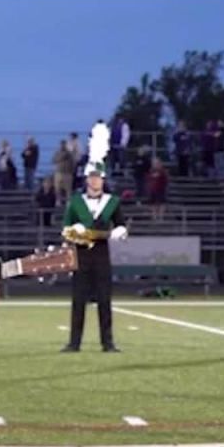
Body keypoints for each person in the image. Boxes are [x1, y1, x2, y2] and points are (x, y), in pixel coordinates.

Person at [60, 123, 128, 353]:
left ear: (103, 179)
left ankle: (107, 343)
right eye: (91, 177)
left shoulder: (113, 201)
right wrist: (74, 231)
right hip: (80, 255)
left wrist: (120, 232)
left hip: (101, 254)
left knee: (104, 300)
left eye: (98, 177)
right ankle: (74, 343)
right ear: (86, 178)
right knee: (78, 300)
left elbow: (121, 225)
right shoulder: (75, 202)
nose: (95, 180)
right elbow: (65, 229)